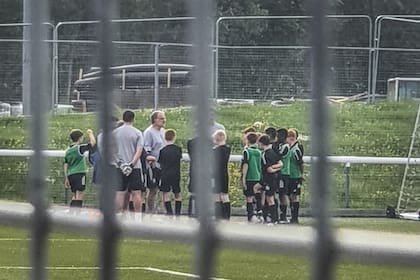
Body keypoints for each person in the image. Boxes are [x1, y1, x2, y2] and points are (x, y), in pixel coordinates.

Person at [113, 110, 145, 213]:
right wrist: (131, 164)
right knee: (136, 193)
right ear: (133, 119)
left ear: (123, 118)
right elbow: (139, 151)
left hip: (119, 167)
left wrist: (120, 163)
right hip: (135, 167)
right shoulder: (137, 133)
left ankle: (118, 215)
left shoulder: (114, 133)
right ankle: (138, 217)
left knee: (120, 193)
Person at [64, 128, 96, 209]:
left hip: (71, 174)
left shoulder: (68, 150)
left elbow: (66, 164)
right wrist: (90, 133)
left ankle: (72, 213)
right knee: (79, 195)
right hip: (80, 173)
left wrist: (66, 178)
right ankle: (77, 214)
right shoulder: (79, 148)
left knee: (74, 195)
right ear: (79, 138)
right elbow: (93, 143)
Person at [144, 110, 166, 213]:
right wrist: (151, 160)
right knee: (153, 189)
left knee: (163, 189)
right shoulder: (149, 132)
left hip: (163, 165)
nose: (163, 120)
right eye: (161, 118)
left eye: (164, 118)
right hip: (153, 166)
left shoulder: (163, 131)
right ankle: (151, 210)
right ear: (154, 119)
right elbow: (146, 148)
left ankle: (161, 209)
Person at [258, 134, 283, 224]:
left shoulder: (264, 154)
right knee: (271, 196)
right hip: (276, 177)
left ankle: (273, 219)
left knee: (270, 199)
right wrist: (276, 168)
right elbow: (280, 164)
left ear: (261, 143)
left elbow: (269, 169)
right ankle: (270, 217)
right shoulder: (273, 151)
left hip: (269, 178)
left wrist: (273, 169)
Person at [158, 129, 182, 216]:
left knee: (166, 194)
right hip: (176, 174)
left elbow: (160, 162)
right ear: (174, 137)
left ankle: (169, 213)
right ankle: (178, 213)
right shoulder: (178, 149)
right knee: (177, 193)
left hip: (165, 174)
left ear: (165, 138)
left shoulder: (162, 150)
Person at [241, 132, 262, 222]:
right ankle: (259, 214)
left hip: (250, 177)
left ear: (247, 140)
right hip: (258, 176)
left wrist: (243, 178)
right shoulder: (259, 152)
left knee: (249, 197)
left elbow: (246, 165)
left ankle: (251, 215)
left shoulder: (247, 151)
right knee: (257, 196)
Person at [212, 129, 232, 220]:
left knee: (216, 195)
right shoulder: (227, 149)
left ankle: (218, 215)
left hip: (216, 174)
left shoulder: (215, 151)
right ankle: (226, 215)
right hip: (224, 174)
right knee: (225, 195)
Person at [287, 128, 304, 224]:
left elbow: (300, 163)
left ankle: (295, 217)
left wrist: (301, 174)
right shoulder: (290, 148)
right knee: (290, 196)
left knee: (295, 196)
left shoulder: (296, 150)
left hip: (295, 176)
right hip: (290, 175)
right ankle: (292, 216)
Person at [276, 128, 291, 223]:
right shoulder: (281, 145)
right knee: (280, 194)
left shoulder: (285, 147)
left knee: (283, 194)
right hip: (280, 172)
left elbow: (279, 155)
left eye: (279, 136)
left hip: (284, 173)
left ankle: (284, 215)